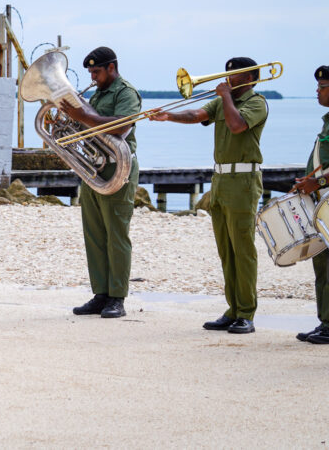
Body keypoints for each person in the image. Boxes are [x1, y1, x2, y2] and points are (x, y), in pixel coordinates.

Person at [150, 57, 268, 334]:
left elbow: (237, 125)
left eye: (235, 74)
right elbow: (197, 115)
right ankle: (233, 309)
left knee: (243, 250)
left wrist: (226, 96)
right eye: (227, 73)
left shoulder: (256, 102)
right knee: (226, 250)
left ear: (250, 78)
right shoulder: (223, 101)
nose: (228, 78)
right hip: (221, 179)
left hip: (243, 179)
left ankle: (247, 313)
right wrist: (169, 116)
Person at [62, 47, 141, 319]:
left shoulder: (125, 93)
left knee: (116, 233)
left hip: (119, 167)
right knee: (94, 233)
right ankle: (101, 293)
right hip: (94, 168)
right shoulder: (95, 95)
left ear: (112, 67)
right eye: (90, 72)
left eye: (97, 71)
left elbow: (122, 126)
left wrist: (82, 117)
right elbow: (86, 129)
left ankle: (117, 297)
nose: (93, 77)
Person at [293, 65, 329, 344]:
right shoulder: (327, 121)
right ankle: (325, 321)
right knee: (322, 263)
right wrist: (310, 178)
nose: (317, 91)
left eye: (323, 87)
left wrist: (318, 182)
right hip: (322, 204)